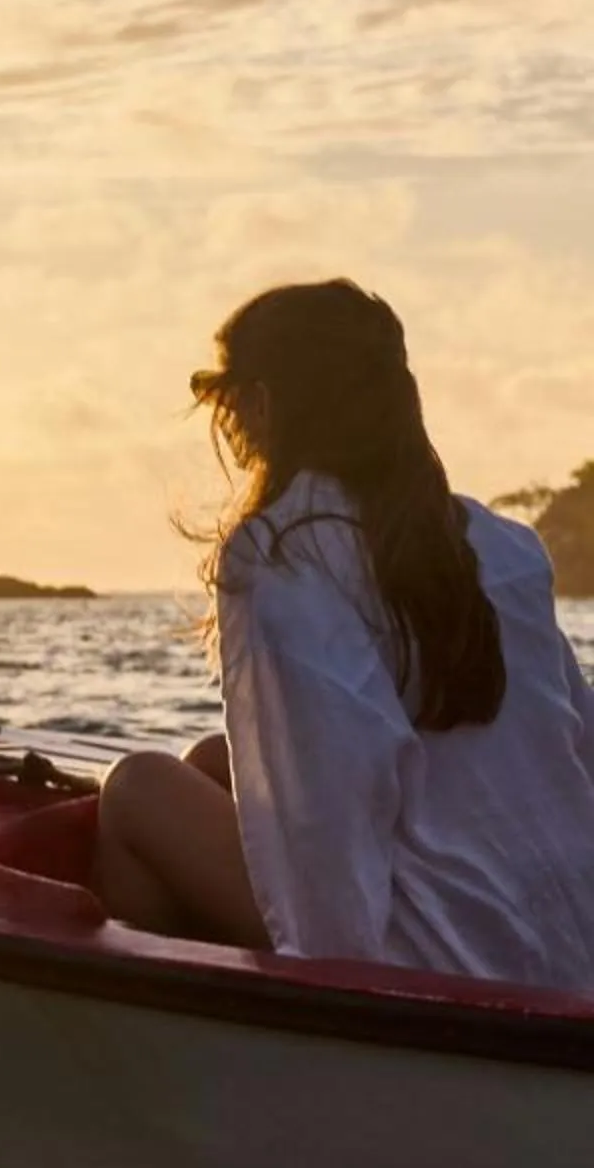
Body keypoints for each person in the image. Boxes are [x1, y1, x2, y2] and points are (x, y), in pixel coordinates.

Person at [92, 278, 594, 989]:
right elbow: (583, 756)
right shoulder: (501, 543)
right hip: (573, 951)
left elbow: (329, 822)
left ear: (263, 402)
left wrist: (335, 983)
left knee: (138, 786)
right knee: (211, 762)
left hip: (436, 972)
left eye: (220, 388)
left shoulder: (280, 558)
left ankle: (171, 1050)